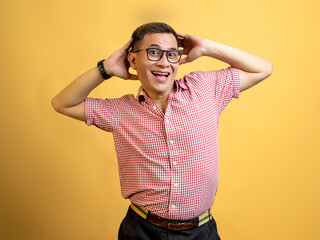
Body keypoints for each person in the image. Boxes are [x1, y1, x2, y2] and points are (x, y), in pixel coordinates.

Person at [51, 22, 272, 240]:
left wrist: (207, 47)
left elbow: (263, 68)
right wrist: (106, 69)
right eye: (154, 52)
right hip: (141, 231)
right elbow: (63, 103)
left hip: (201, 233)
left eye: (172, 54)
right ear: (133, 60)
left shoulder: (205, 88)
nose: (165, 62)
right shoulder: (120, 110)